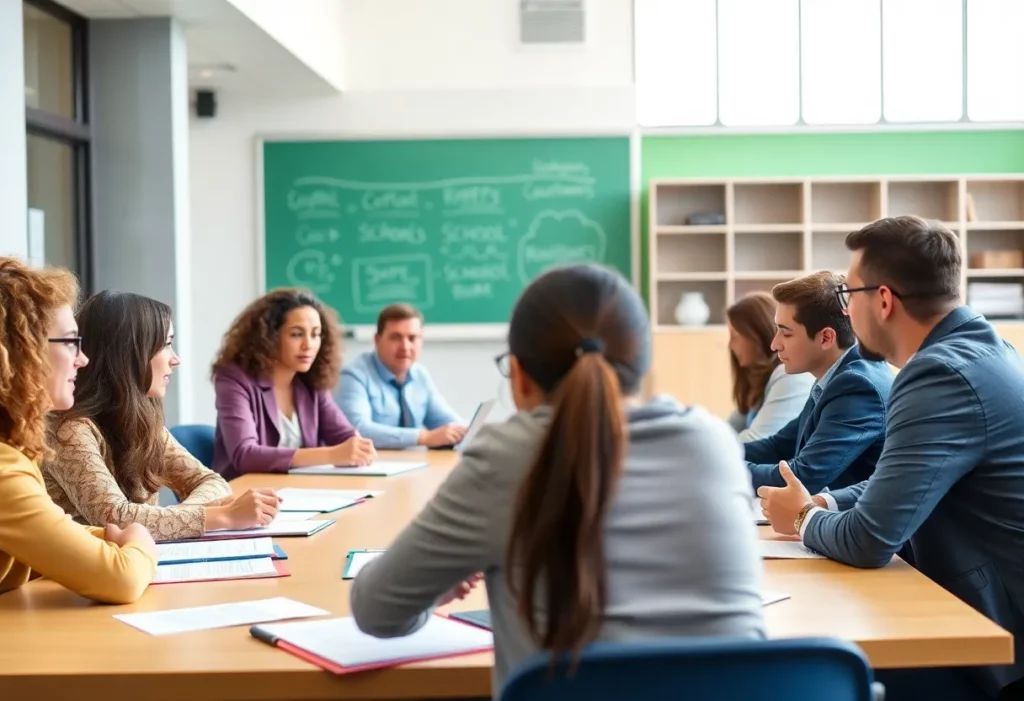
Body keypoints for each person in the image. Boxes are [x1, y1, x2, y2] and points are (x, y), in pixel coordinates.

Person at [350, 264, 765, 695]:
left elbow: (375, 610)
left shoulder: (505, 457)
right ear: (641, 362)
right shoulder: (714, 443)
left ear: (521, 377)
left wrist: (433, 592)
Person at [758, 216, 1024, 700]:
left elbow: (868, 541)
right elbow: (908, 477)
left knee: (791, 675)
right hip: (980, 610)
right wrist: (824, 503)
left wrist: (799, 518)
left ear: (882, 300)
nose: (845, 312)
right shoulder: (981, 348)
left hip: (995, 645)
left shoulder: (939, 374)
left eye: (847, 297)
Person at [45, 291, 280, 542]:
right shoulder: (69, 430)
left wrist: (175, 516)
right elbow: (117, 518)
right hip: (82, 576)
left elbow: (210, 481)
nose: (175, 359)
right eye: (165, 344)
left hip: (133, 566)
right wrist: (225, 516)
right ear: (127, 354)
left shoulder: (142, 420)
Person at [0, 258, 155, 603]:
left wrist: (103, 538)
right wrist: (140, 542)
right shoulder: (3, 470)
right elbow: (120, 580)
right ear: (24, 352)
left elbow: (40, 536)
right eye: (71, 342)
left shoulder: (12, 451)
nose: (82, 360)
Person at [745, 271, 893, 494]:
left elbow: (804, 476)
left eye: (786, 333)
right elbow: (778, 446)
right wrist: (713, 451)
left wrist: (721, 468)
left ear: (826, 338)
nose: (774, 345)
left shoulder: (858, 386)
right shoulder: (836, 376)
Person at [212, 288, 376, 480]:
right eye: (297, 334)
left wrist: (358, 448)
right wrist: (331, 455)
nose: (309, 345)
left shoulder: (311, 380)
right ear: (269, 337)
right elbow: (245, 455)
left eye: (316, 334)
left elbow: (345, 437)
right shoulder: (234, 378)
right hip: (245, 496)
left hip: (298, 492)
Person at [338, 303, 466, 450]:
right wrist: (424, 437)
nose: (405, 347)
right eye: (395, 338)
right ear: (377, 340)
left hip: (413, 466)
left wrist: (464, 431)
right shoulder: (353, 376)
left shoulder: (419, 375)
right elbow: (357, 430)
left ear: (421, 341)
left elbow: (448, 423)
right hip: (369, 467)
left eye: (412, 338)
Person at [726, 292, 814, 441]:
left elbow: (757, 439)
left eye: (735, 336)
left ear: (757, 333)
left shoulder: (789, 375)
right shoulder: (760, 381)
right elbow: (727, 430)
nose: (730, 345)